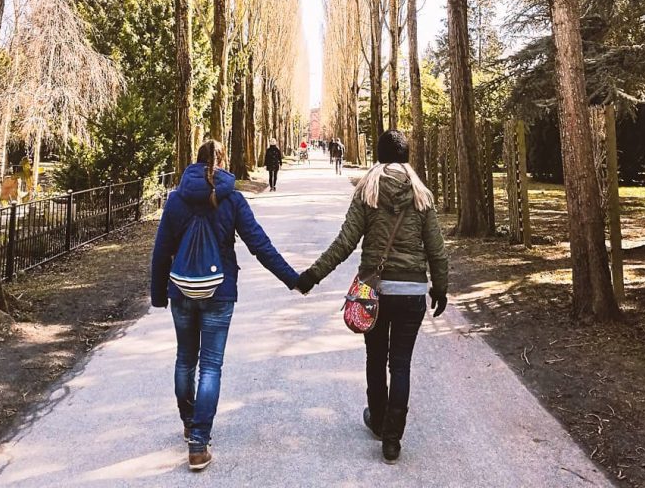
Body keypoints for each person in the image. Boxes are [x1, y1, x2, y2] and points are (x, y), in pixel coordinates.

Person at [295, 130, 448, 464]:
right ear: (407, 157)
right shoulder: (421, 196)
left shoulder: (369, 192)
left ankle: (378, 421)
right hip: (410, 293)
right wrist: (440, 287)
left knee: (376, 357)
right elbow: (437, 250)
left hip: (374, 292)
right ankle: (392, 441)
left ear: (379, 156)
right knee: (402, 364)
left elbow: (344, 243)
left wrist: (312, 276)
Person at [151, 139, 298, 471]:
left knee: (185, 359)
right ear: (221, 162)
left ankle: (190, 421)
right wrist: (293, 279)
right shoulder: (232, 199)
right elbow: (260, 244)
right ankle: (199, 443)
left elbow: (161, 251)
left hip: (182, 291)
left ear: (195, 161)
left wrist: (159, 294)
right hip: (220, 292)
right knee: (211, 366)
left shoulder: (175, 200)